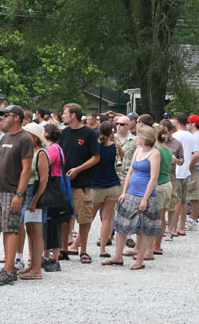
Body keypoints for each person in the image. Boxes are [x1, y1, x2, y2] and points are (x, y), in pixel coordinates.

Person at [104, 125, 161, 270]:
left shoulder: (154, 154)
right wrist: (124, 192)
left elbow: (153, 178)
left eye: (139, 136)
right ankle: (118, 256)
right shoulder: (137, 151)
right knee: (121, 225)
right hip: (131, 193)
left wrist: (145, 199)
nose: (137, 138)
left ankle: (140, 259)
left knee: (143, 228)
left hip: (144, 195)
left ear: (145, 138)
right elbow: (130, 172)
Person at [0, 105, 34, 285]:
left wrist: (19, 193)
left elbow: (26, 169)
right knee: (2, 227)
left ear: (16, 117)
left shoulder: (25, 139)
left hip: (12, 190)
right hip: (1, 189)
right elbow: (0, 165)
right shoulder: (5, 137)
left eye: (5, 116)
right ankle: (7, 267)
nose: (2, 119)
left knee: (11, 229)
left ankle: (9, 270)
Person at [60, 103, 99, 264]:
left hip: (82, 184)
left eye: (65, 113)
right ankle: (63, 249)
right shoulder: (63, 133)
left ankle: (83, 250)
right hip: (64, 183)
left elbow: (96, 157)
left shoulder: (89, 133)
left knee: (84, 218)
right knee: (64, 218)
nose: (63, 116)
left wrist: (78, 169)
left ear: (74, 115)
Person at [18, 123, 49, 280]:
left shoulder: (41, 153)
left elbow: (43, 180)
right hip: (28, 193)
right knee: (30, 230)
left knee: (36, 232)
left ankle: (37, 269)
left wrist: (35, 199)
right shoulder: (29, 152)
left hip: (36, 194)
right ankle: (32, 265)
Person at [89, 121, 122, 258]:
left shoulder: (94, 147)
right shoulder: (115, 146)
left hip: (96, 185)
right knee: (107, 218)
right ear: (111, 133)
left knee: (89, 218)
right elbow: (122, 156)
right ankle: (103, 248)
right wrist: (113, 139)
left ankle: (77, 244)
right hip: (113, 184)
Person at [41, 123, 68, 272]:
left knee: (52, 223)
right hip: (55, 187)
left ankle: (54, 258)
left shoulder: (52, 149)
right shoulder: (56, 148)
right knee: (49, 223)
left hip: (52, 187)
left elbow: (43, 164)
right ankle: (46, 256)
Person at [170, 113, 195, 236]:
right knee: (184, 200)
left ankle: (173, 227)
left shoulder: (175, 135)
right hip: (186, 170)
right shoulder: (191, 136)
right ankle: (182, 226)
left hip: (177, 171)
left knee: (177, 201)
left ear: (177, 122)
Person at [151, 124, 173, 257]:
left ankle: (153, 246)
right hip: (167, 184)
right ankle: (157, 245)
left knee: (155, 218)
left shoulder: (156, 150)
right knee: (162, 217)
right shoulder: (168, 149)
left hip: (158, 185)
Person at [186, 114, 199, 228]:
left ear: (193, 124)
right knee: (194, 194)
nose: (187, 124)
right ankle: (193, 219)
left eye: (189, 122)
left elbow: (197, 154)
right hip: (198, 167)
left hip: (195, 168)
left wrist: (189, 167)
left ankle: (192, 220)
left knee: (193, 195)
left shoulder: (196, 137)